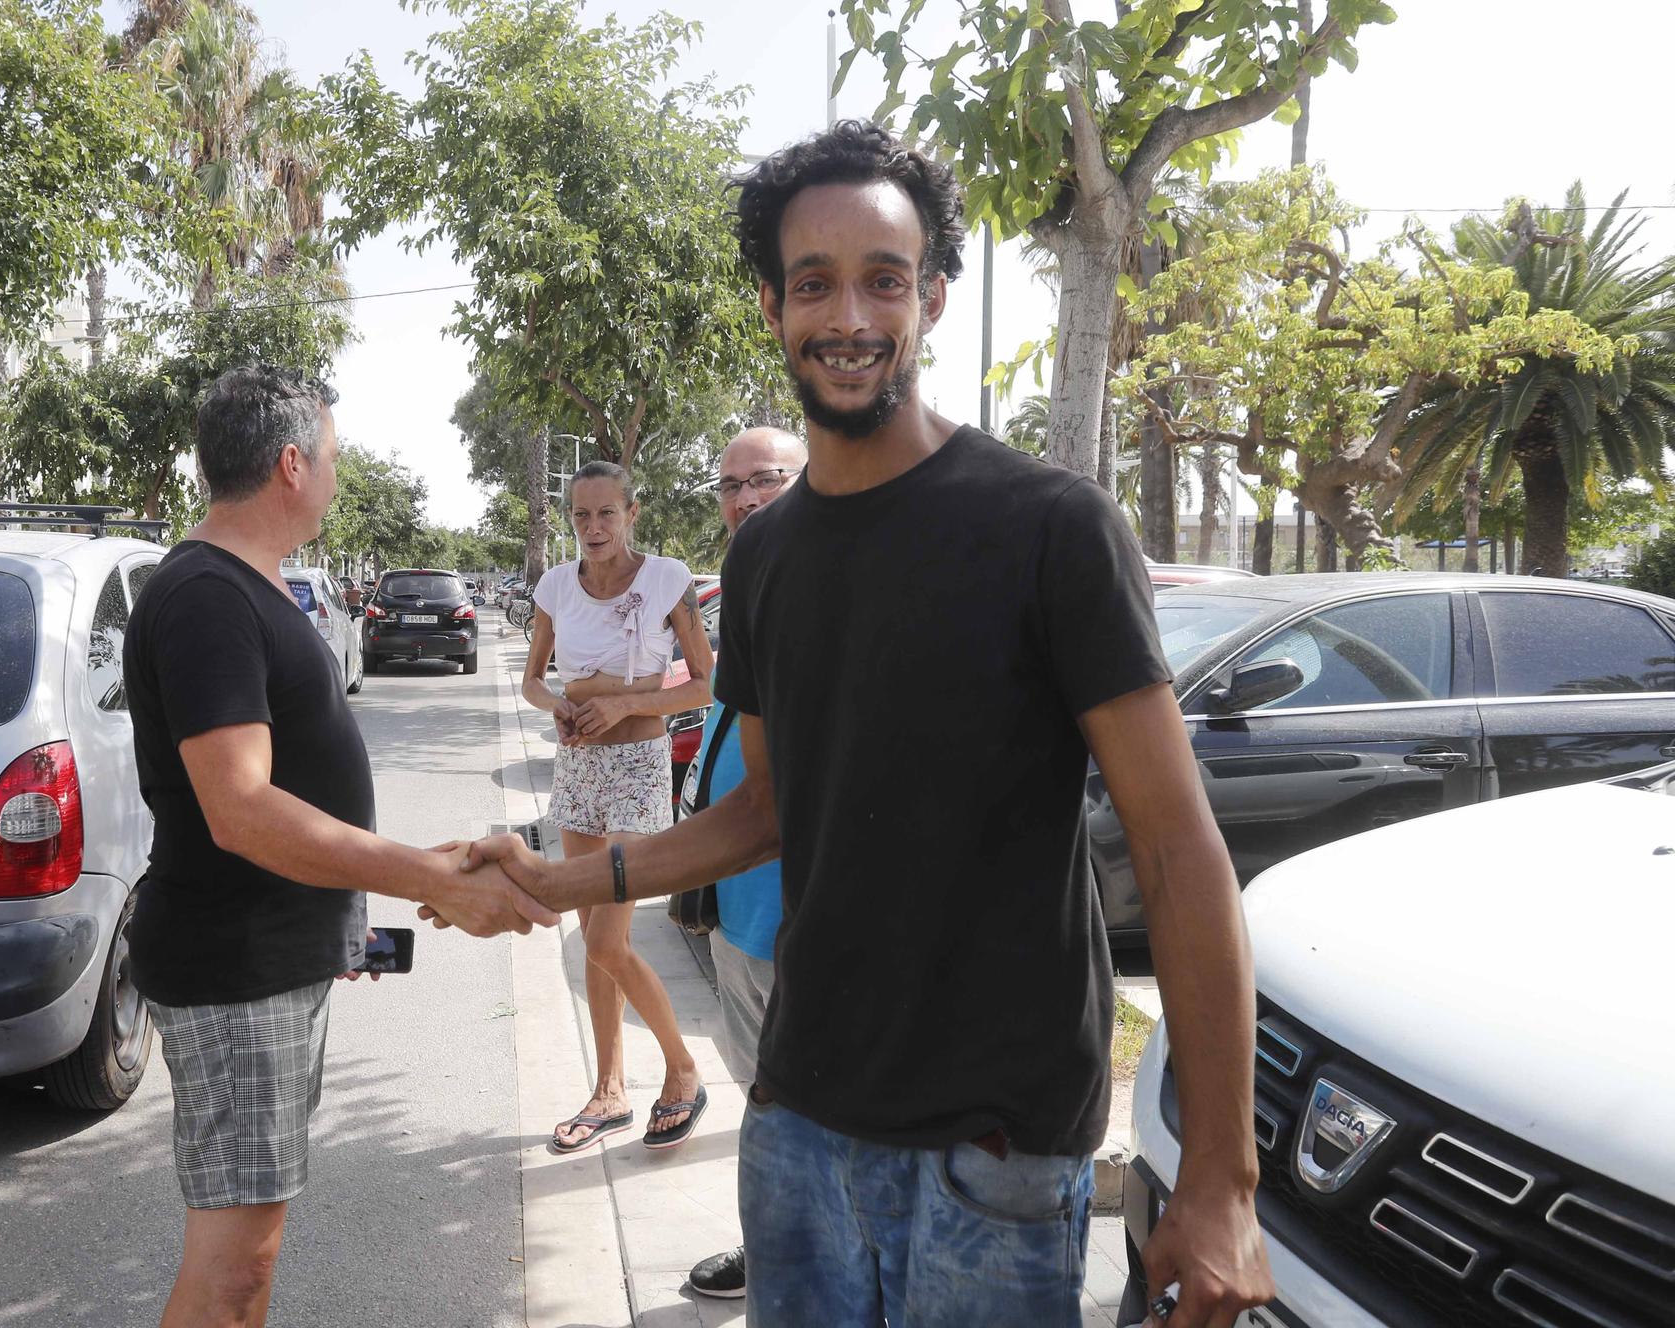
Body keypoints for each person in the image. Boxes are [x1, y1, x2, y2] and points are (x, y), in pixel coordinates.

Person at [452, 122, 1273, 1328]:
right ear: (774, 307)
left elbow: (1175, 848)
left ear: (931, 297)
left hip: (989, 1143)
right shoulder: (769, 554)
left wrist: (1219, 1176)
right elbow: (767, 807)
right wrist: (558, 878)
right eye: (813, 282)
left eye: (883, 278)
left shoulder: (1050, 527)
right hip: (795, 1118)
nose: (848, 314)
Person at [122, 365, 557, 1328]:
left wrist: (343, 920)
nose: (336, 472)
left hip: (272, 953)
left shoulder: (247, 584)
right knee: (235, 1270)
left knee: (245, 1252)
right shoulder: (206, 594)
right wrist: (423, 875)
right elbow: (240, 810)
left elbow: (287, 790)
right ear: (290, 463)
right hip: (233, 965)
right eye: (331, 453)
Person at [522, 460, 717, 1153]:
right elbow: (533, 682)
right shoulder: (554, 585)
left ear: (632, 514)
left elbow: (703, 686)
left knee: (607, 939)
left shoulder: (668, 579)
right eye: (581, 515)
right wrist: (560, 710)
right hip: (578, 769)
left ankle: (684, 1071)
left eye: (607, 513)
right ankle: (608, 1092)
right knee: (592, 937)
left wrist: (625, 703)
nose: (593, 527)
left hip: (638, 767)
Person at [683, 426, 806, 1302]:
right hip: (738, 916)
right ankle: (768, 1254)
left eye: (766, 479)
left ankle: (803, 1274)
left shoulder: (837, 590)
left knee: (807, 1115)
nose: (745, 498)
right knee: (762, 1106)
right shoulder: (741, 590)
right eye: (730, 485)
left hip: (808, 921)